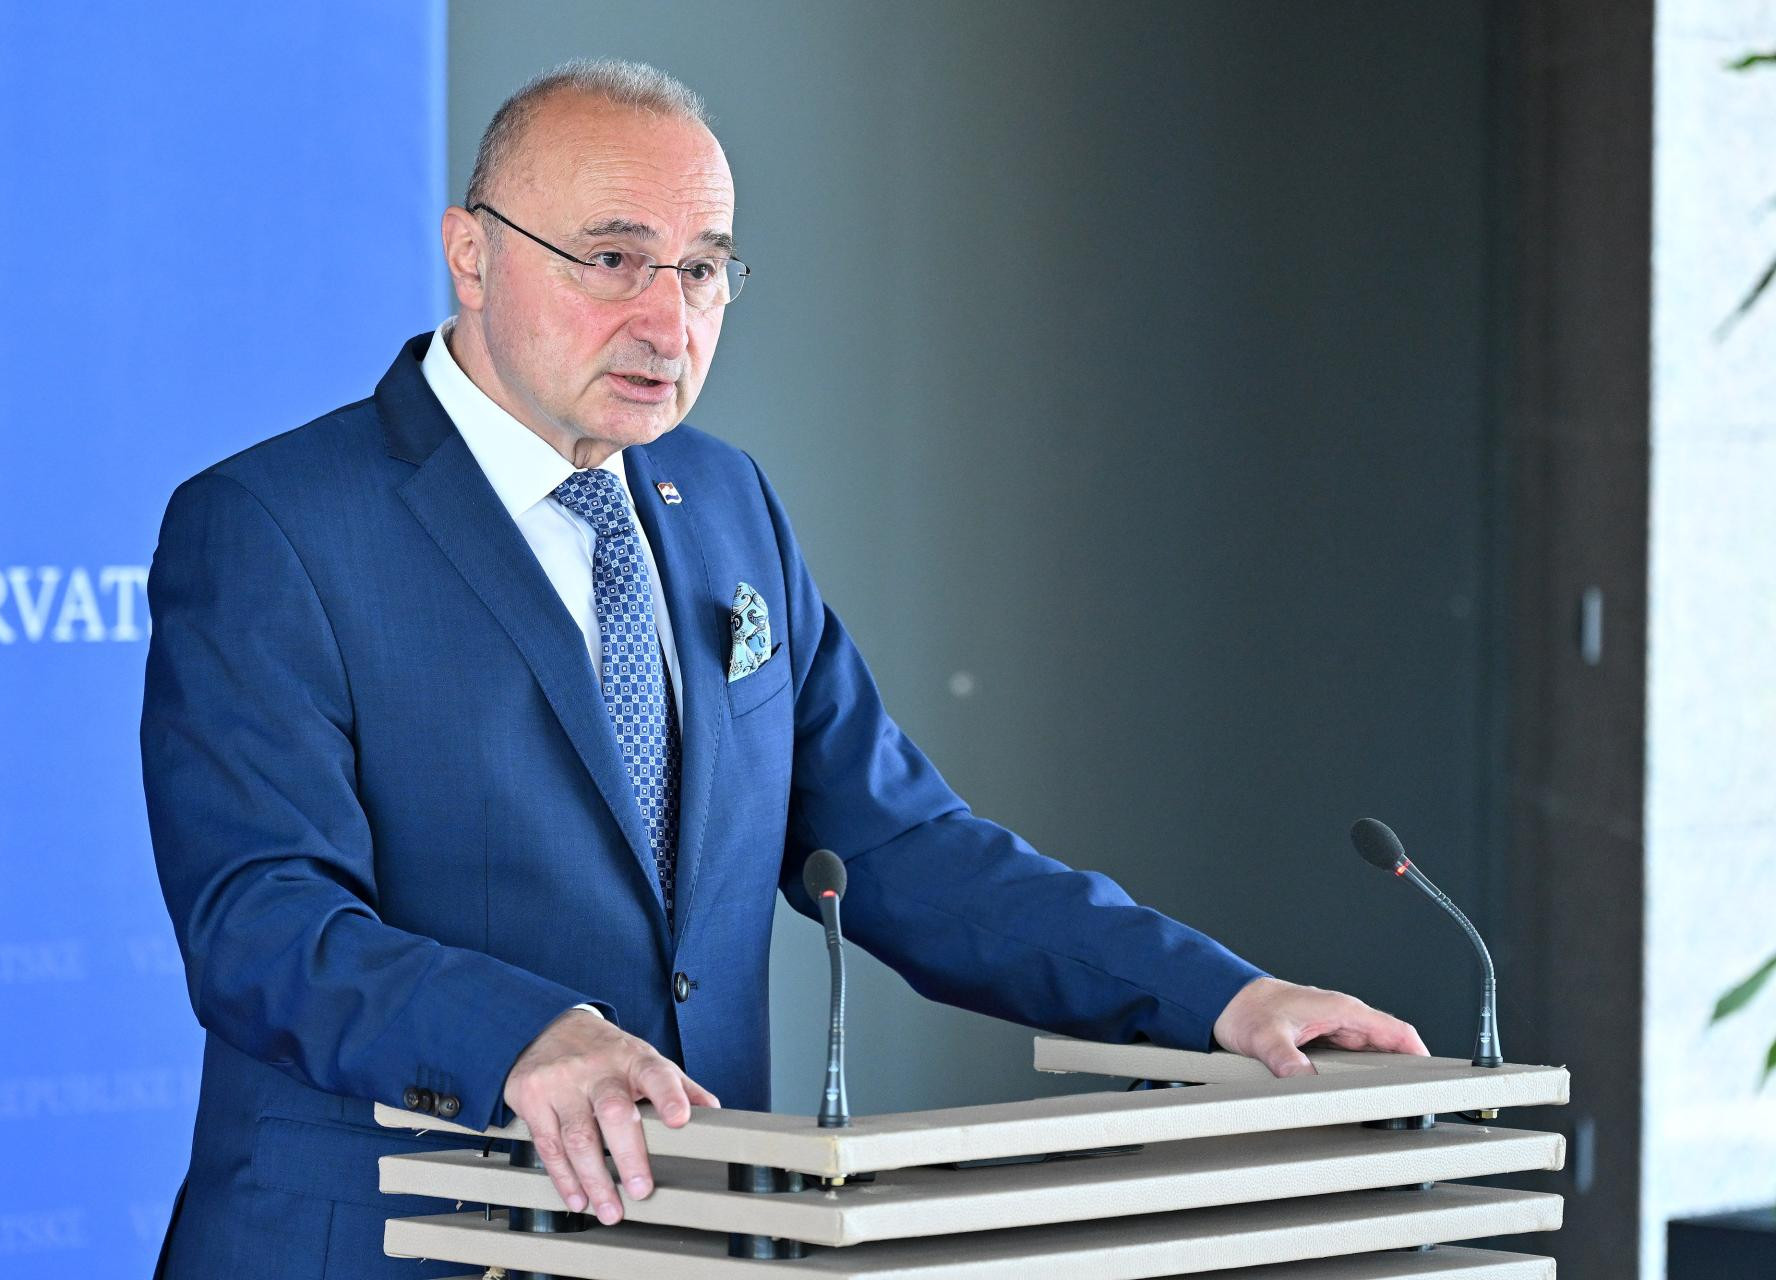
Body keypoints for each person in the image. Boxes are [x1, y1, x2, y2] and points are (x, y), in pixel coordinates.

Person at [140, 58, 1428, 1280]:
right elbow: (261, 921)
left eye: (703, 270)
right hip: (392, 1241)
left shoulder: (722, 501)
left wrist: (1222, 999)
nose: (667, 321)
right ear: (471, 254)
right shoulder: (275, 526)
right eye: (612, 260)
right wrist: (518, 1034)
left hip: (700, 1230)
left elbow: (903, 844)